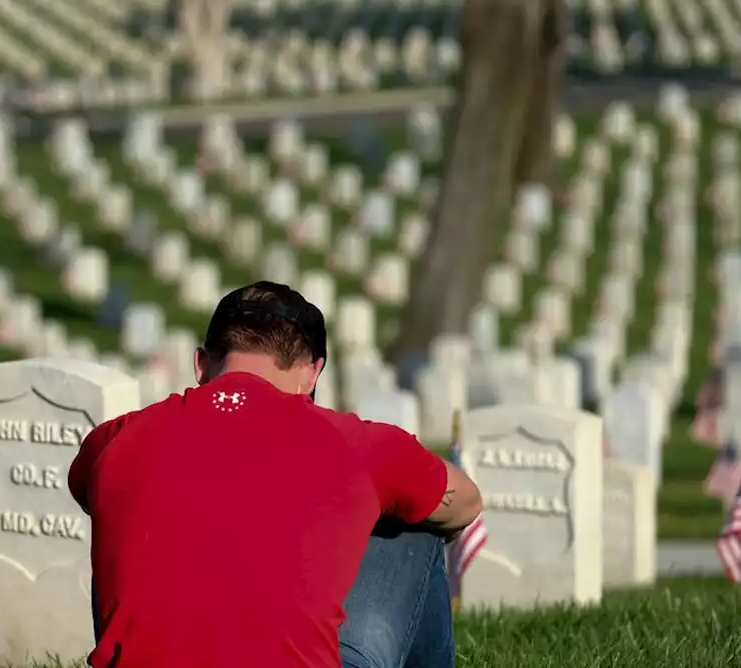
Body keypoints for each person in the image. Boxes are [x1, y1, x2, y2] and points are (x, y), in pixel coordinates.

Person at [69, 281, 484, 668]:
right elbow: (465, 503)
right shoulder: (358, 445)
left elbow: (86, 490)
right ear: (312, 373)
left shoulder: (115, 439)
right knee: (420, 519)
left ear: (200, 364)